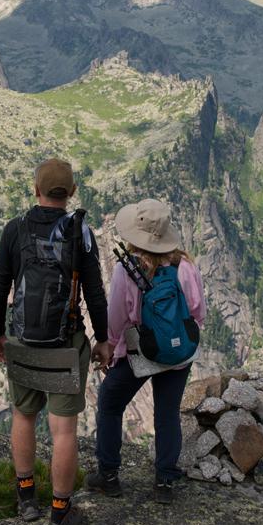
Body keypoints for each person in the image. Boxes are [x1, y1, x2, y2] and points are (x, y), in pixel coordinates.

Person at [0, 158, 113, 525]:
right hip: (64, 345)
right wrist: (103, 339)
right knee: (63, 432)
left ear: (35, 189)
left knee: (23, 417)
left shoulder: (15, 229)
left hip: (23, 341)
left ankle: (26, 498)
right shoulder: (81, 233)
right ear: (71, 192)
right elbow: (94, 293)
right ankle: (60, 515)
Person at [87, 198, 205, 504]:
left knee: (111, 402)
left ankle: (109, 476)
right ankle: (165, 482)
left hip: (143, 352)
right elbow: (196, 311)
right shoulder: (186, 266)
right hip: (180, 353)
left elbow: (118, 317)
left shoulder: (127, 270)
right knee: (167, 413)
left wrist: (112, 347)